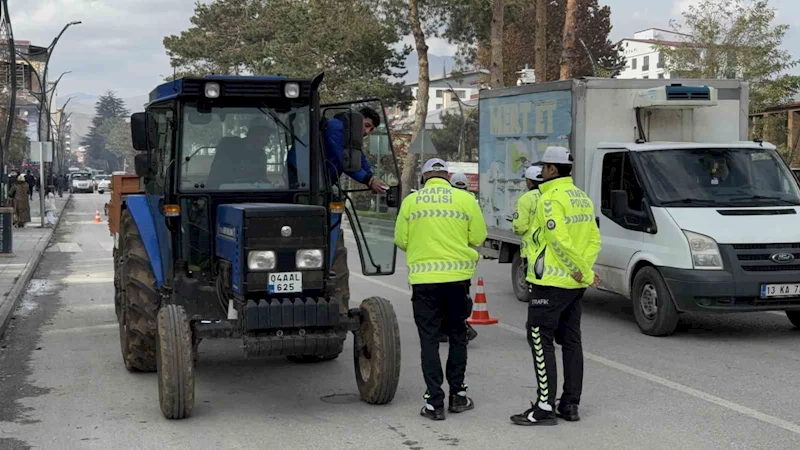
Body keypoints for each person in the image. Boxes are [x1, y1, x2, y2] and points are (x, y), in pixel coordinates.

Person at [510, 146, 601, 427]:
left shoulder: (550, 199)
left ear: (551, 170)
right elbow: (594, 239)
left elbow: (559, 241)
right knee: (572, 341)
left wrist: (578, 270)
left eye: (545, 167)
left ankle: (544, 407)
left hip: (551, 282)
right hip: (575, 285)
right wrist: (584, 272)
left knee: (539, 338)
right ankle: (570, 405)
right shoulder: (582, 198)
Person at [395, 158, 487, 421]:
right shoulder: (465, 200)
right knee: (458, 337)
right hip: (458, 281)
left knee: (429, 341)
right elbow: (478, 237)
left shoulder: (411, 202)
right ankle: (458, 395)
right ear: (446, 176)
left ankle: (434, 403)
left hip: (424, 282)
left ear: (423, 177)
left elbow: (401, 240)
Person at [446, 171, 479, 343]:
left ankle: (446, 328)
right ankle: (460, 327)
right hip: (462, 262)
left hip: (442, 257)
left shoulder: (445, 202)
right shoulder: (470, 202)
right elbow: (477, 236)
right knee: (462, 297)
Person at [512, 165, 545, 287]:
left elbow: (520, 227)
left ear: (529, 181)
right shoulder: (549, 195)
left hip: (531, 250)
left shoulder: (525, 199)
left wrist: (515, 225)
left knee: (533, 282)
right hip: (549, 249)